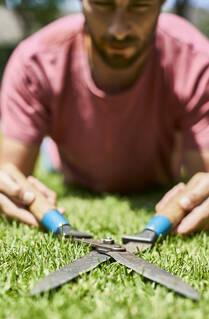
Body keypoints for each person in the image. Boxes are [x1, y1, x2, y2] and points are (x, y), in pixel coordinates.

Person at [0, 0, 209, 234]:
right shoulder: (34, 61)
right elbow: (10, 178)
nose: (118, 31)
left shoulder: (198, 62)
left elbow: (203, 183)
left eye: (139, 6)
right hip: (67, 165)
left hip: (162, 172)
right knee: (50, 162)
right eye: (102, 4)